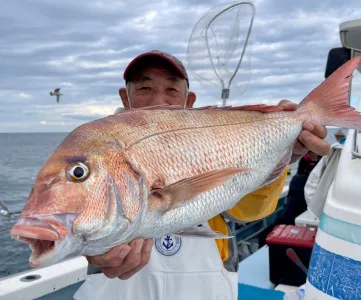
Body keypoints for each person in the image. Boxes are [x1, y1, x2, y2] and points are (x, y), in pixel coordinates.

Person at [74, 50, 330, 300]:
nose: (158, 101)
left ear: (189, 101)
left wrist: (284, 153)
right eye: (145, 89)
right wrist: (95, 248)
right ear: (125, 97)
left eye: (172, 90)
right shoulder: (95, 154)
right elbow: (68, 220)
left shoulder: (214, 144)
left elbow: (251, 211)